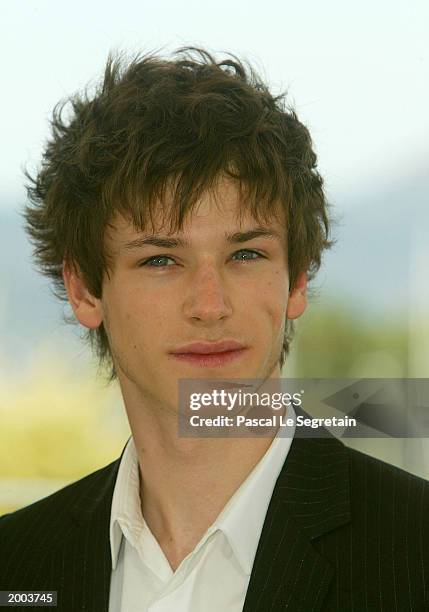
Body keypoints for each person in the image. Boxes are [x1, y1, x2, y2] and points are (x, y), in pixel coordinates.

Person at [0, 46, 428, 612]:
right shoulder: (17, 566)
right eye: (161, 260)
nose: (210, 305)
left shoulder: (415, 550)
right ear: (85, 291)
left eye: (246, 254)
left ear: (296, 280)